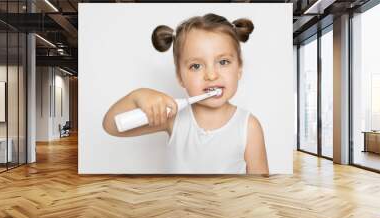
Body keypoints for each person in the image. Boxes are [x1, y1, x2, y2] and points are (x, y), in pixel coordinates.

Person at [103, 13, 269, 174]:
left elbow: (260, 187)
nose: (211, 75)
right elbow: (111, 126)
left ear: (239, 69)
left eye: (223, 62)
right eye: (196, 66)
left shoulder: (248, 126)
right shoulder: (173, 116)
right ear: (180, 77)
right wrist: (138, 96)